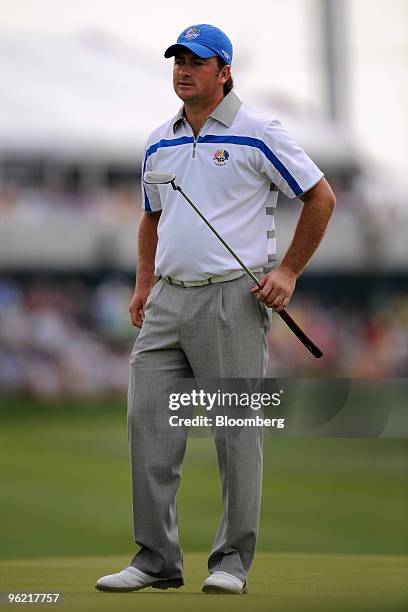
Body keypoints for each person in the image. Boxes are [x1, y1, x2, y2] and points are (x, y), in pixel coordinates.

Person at [96, 23, 335, 595]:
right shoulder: (160, 140)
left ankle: (230, 563)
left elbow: (319, 196)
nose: (182, 69)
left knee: (235, 431)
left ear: (223, 71)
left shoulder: (260, 131)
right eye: (177, 59)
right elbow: (151, 217)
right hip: (166, 300)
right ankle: (156, 559)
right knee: (147, 424)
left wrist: (288, 271)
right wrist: (141, 285)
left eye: (195, 61)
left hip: (233, 297)